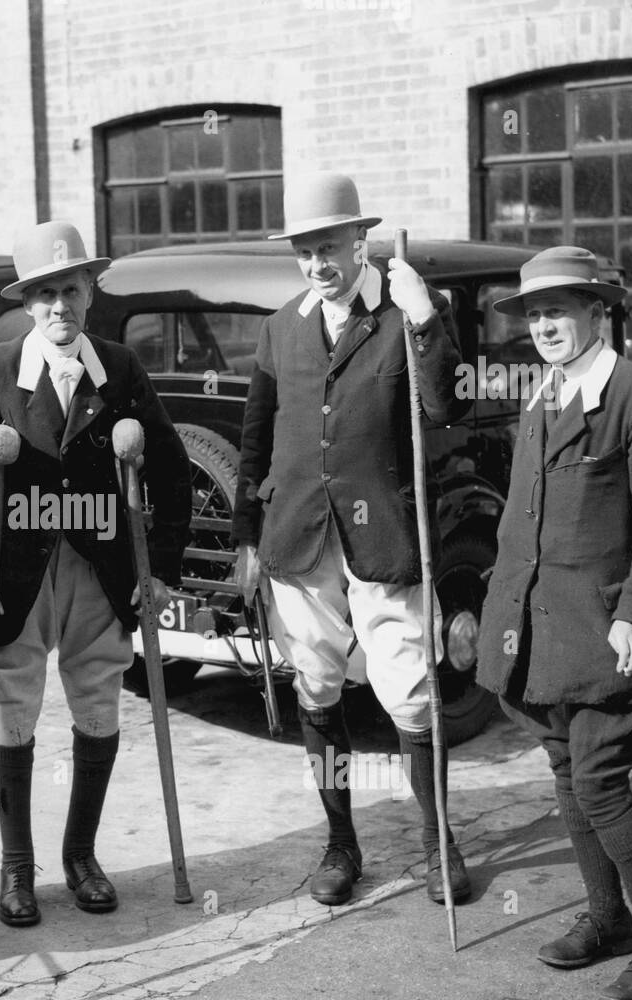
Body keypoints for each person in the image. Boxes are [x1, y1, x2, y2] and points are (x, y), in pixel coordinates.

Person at [0, 220, 191, 925]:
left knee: (99, 703)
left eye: (71, 290)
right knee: (13, 709)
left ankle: (81, 855)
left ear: (90, 291)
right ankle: (18, 868)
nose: (59, 307)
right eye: (44, 294)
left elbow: (169, 470)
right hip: (13, 574)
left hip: (100, 571)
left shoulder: (120, 367)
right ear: (26, 304)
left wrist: (160, 567)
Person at [232, 172, 473, 908]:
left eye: (328, 248)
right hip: (298, 537)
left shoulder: (406, 314)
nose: (316, 264)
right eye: (304, 252)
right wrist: (247, 535)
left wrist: (426, 320)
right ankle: (341, 844)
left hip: (385, 538)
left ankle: (439, 846)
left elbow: (448, 410)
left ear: (359, 241)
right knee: (317, 684)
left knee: (408, 692)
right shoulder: (281, 327)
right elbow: (256, 436)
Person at [476, 246, 632, 1000]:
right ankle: (607, 920)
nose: (543, 325)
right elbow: (521, 521)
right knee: (568, 774)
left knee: (601, 781)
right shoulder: (543, 398)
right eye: (534, 314)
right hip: (541, 633)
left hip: (608, 631)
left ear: (599, 312)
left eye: (559, 310)